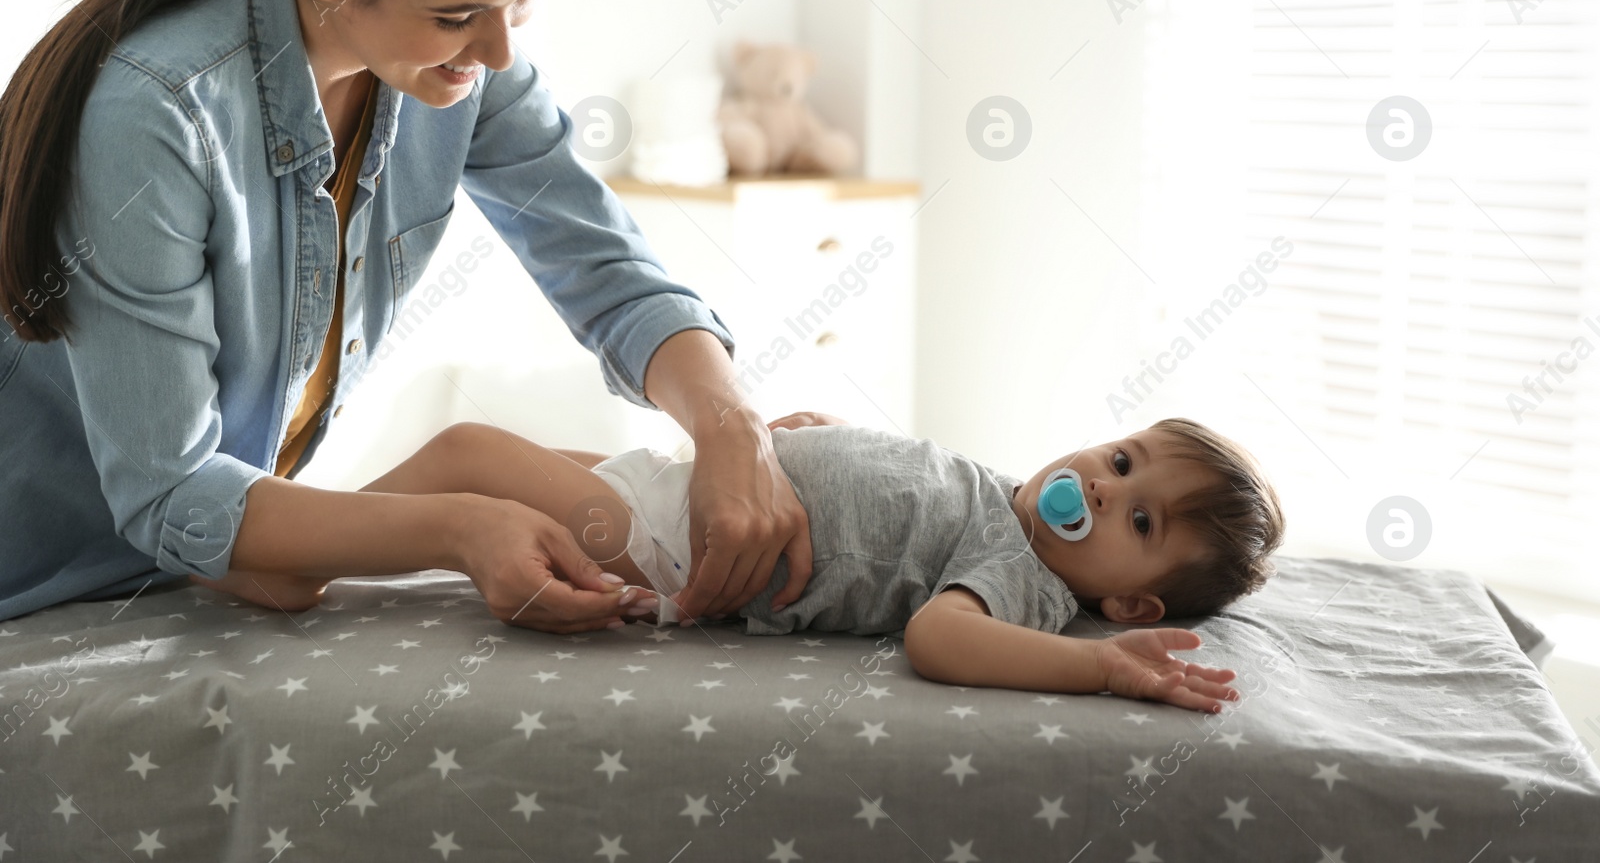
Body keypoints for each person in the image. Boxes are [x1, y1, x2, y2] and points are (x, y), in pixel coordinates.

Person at [0, 0, 813, 630]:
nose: (500, 53)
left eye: (523, 0)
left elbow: (608, 271)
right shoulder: (160, 116)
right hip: (48, 584)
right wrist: (459, 526)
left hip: (199, 564)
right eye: (457, 16)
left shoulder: (464, 67)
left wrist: (731, 425)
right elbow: (172, 494)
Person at [266, 411, 1286, 714]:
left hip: (678, 543)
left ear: (1128, 594)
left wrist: (1102, 663)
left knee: (464, 453)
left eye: (1139, 518)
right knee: (530, 460)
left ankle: (287, 547)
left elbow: (939, 636)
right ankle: (305, 531)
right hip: (683, 485)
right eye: (1118, 459)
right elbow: (895, 486)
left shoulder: (1020, 573)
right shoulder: (1002, 492)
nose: (1103, 486)